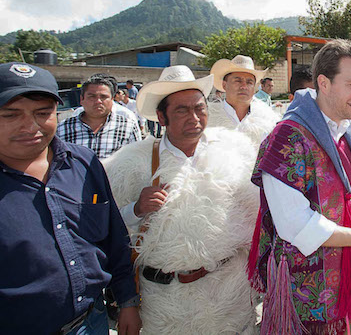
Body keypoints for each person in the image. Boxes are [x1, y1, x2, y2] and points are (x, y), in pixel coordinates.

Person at [247, 39, 351, 333]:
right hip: (308, 288)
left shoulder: (349, 133)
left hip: (349, 276)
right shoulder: (287, 138)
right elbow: (294, 224)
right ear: (324, 83)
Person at [104, 65, 260, 334]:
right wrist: (136, 209)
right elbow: (108, 231)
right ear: (161, 117)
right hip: (161, 304)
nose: (194, 117)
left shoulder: (236, 152)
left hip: (228, 297)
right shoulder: (130, 163)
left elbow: (257, 218)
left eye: (200, 108)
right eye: (181, 110)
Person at [0, 62, 141, 334]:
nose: (30, 126)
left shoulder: (83, 163)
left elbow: (114, 238)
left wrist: (127, 301)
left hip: (93, 321)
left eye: (43, 113)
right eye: (10, 114)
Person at [57, 74, 142, 159]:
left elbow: (136, 161)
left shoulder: (127, 127)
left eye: (103, 97)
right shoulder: (63, 128)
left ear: (112, 100)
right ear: (82, 99)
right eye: (92, 97)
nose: (98, 101)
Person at [207, 54, 280, 146]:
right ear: (224, 85)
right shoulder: (209, 119)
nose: (244, 86)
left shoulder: (267, 120)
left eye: (249, 82)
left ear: (254, 87)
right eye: (238, 81)